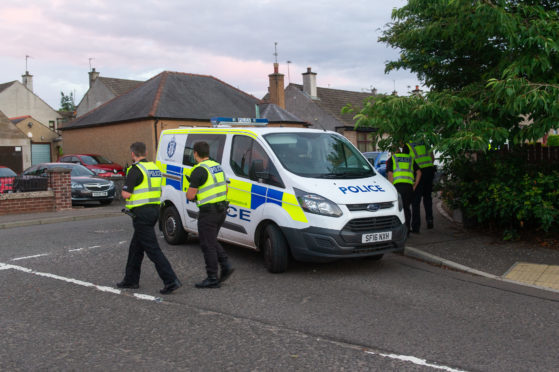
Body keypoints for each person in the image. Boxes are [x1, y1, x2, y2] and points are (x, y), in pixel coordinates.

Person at [117, 142, 181, 295]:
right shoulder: (154, 168)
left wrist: (124, 188)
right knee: (136, 248)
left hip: (141, 213)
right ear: (145, 152)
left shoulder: (135, 170)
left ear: (133, 154)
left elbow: (126, 194)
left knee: (153, 249)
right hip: (154, 210)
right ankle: (130, 279)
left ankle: (171, 280)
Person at [186, 141, 234, 289]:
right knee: (211, 240)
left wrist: (195, 194)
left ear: (195, 153)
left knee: (207, 245)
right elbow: (225, 189)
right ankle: (225, 264)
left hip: (208, 213)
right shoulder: (217, 167)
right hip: (221, 211)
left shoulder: (198, 170)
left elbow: (190, 195)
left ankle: (212, 277)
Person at [387, 144, 421, 235]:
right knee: (406, 208)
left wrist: (391, 189)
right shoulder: (410, 158)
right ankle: (407, 230)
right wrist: (414, 185)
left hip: (397, 187)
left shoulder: (392, 159)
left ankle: (399, 232)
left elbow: (390, 175)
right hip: (409, 187)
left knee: (398, 209)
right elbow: (419, 172)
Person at [407, 141, 436, 233]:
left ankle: (416, 227)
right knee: (427, 197)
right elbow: (432, 157)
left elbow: (409, 161)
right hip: (429, 170)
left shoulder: (409, 144)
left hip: (418, 172)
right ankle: (430, 220)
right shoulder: (425, 142)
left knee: (416, 200)